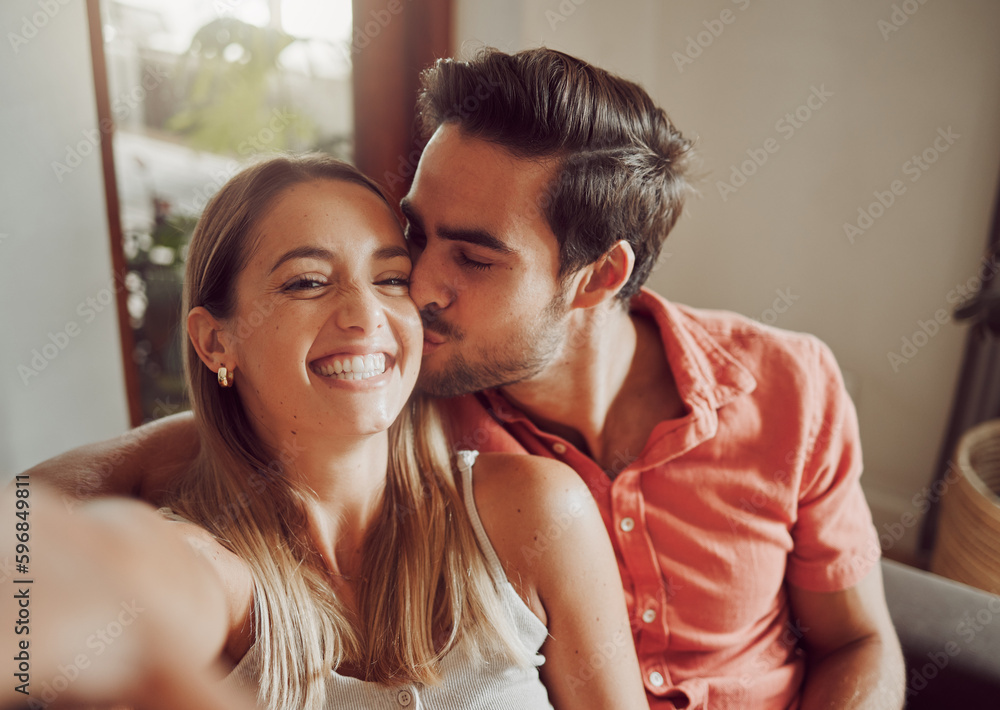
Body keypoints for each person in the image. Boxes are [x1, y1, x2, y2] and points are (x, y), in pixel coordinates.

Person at [29, 48, 905, 708]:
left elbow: (860, 641)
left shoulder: (789, 384)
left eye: (475, 258)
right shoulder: (407, 407)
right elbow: (252, 449)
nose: (420, 286)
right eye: (417, 234)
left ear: (597, 277)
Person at [15, 154, 646, 710]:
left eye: (391, 277)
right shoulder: (210, 566)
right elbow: (107, 573)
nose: (363, 312)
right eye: (307, 282)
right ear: (215, 341)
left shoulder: (535, 509)